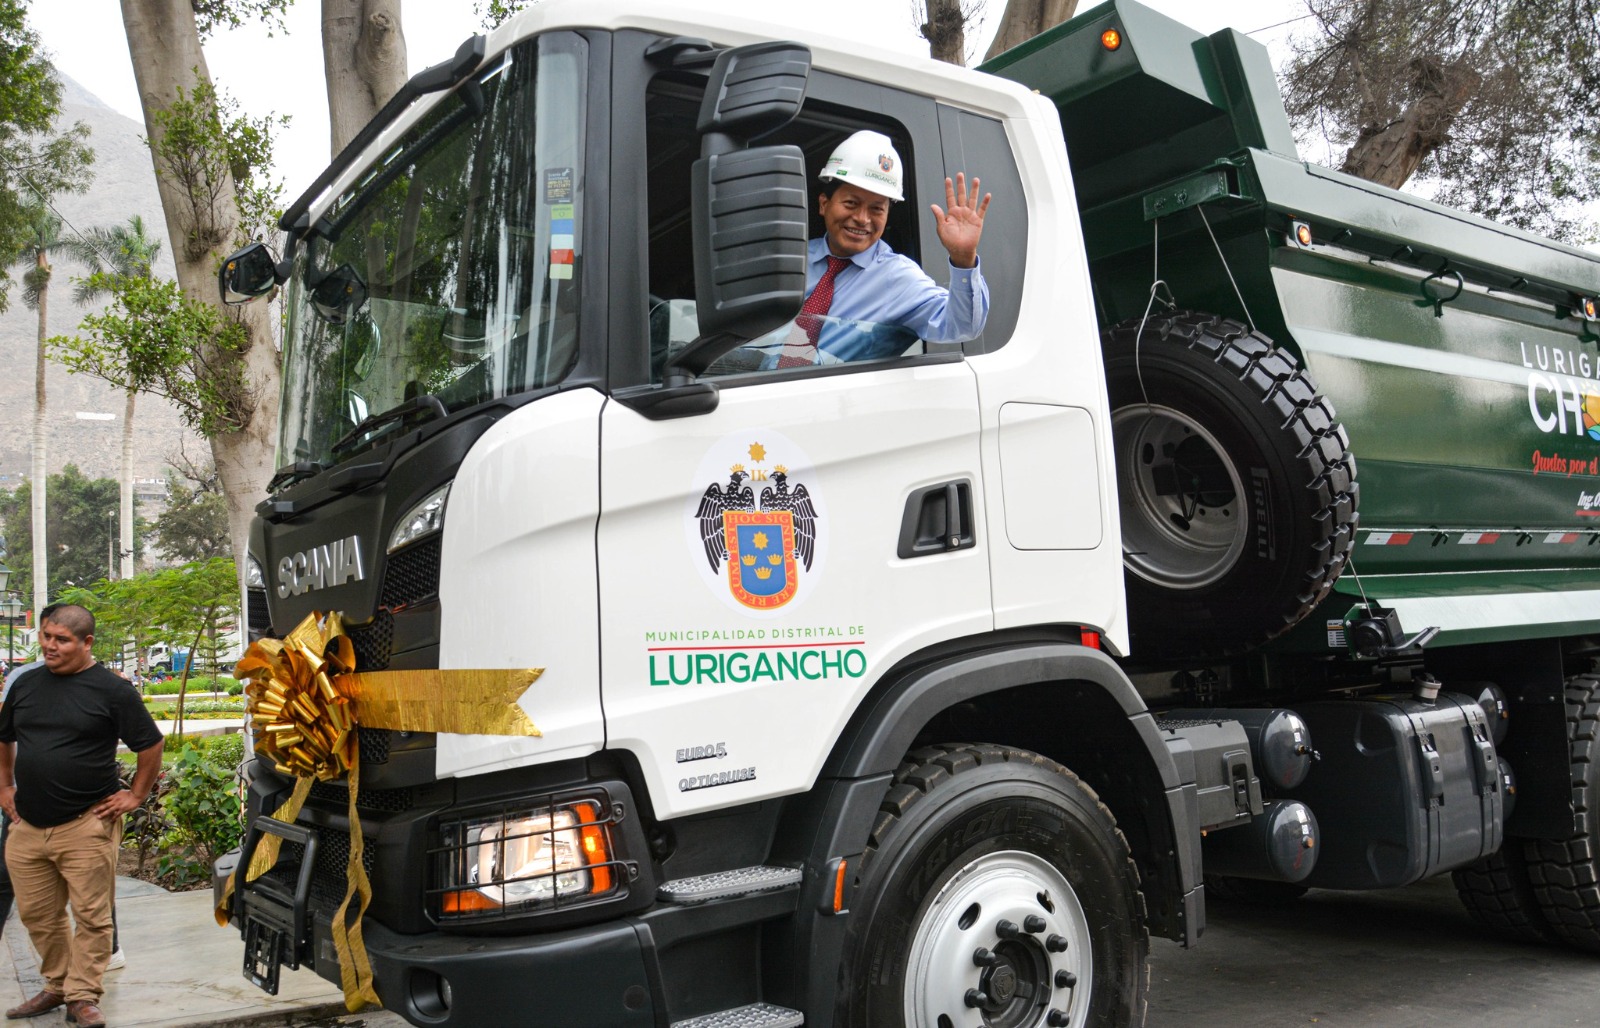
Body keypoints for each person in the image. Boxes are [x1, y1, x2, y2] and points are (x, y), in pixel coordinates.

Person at [0, 605, 161, 1027]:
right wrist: (5, 786)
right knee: (38, 915)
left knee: (92, 916)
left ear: (86, 643)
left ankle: (83, 995)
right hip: (28, 825)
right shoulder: (26, 684)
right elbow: (5, 738)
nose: (50, 645)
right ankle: (57, 985)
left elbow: (150, 744)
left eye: (62, 639)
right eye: (46, 636)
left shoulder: (113, 690)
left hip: (85, 823)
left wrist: (137, 794)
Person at [772, 129, 993, 368]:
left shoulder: (896, 277)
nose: (862, 218)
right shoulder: (789, 258)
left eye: (877, 209)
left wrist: (963, 259)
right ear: (824, 204)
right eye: (851, 203)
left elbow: (962, 327)